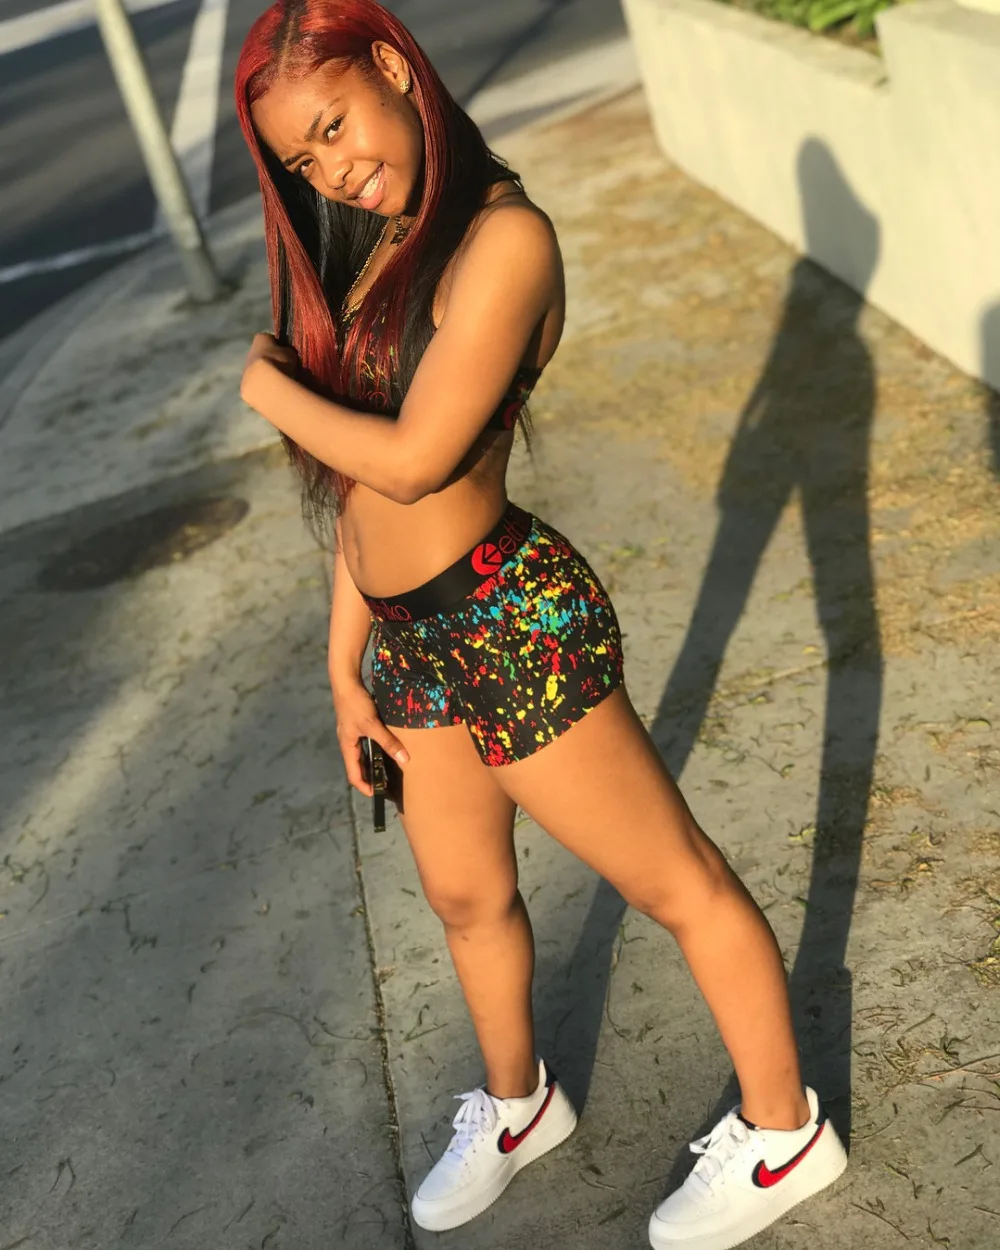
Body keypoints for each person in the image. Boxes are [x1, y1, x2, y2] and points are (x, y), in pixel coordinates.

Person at [234, 2, 847, 1245]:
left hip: (508, 619)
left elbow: (412, 461)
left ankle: (786, 1131)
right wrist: (345, 666)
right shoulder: (382, 246)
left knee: (675, 879)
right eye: (301, 160)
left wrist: (271, 391)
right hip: (412, 642)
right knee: (465, 897)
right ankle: (518, 1106)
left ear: (393, 67)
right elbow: (361, 501)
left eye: (334, 127)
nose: (330, 171)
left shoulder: (504, 240)